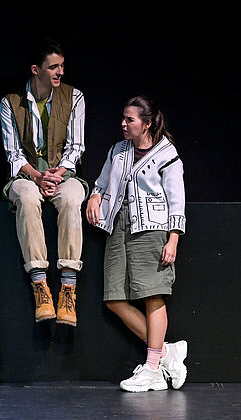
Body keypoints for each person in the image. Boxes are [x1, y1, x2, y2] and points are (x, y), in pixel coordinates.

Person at [86, 96, 188, 392]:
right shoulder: (118, 150)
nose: (123, 124)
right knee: (114, 297)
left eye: (129, 120)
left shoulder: (167, 154)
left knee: (152, 294)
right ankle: (167, 352)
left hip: (153, 228)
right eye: (123, 118)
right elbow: (102, 183)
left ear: (147, 123)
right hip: (118, 226)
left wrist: (173, 239)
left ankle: (154, 367)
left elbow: (176, 200)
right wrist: (94, 195)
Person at [0, 37, 88, 327]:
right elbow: (13, 153)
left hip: (64, 174)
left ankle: (68, 288)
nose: (60, 72)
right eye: (53, 67)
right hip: (27, 174)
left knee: (73, 200)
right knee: (25, 197)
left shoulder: (74, 97)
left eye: (62, 66)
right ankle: (40, 286)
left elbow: (76, 147)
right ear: (36, 69)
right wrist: (38, 176)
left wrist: (56, 175)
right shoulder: (10, 103)